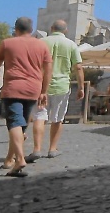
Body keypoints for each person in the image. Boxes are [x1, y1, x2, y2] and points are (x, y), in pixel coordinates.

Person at [0, 17, 52, 177]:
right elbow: (48, 69)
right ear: (31, 30)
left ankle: (20, 160)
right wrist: (44, 91)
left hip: (13, 88)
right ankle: (9, 160)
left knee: (14, 123)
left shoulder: (8, 43)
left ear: (16, 29)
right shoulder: (41, 45)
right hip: (33, 89)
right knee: (20, 126)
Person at [26, 20, 84, 162]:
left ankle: (37, 149)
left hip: (41, 86)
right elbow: (78, 67)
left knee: (39, 116)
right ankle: (52, 149)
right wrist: (81, 87)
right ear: (66, 31)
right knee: (57, 118)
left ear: (51, 28)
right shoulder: (71, 45)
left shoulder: (41, 42)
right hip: (62, 86)